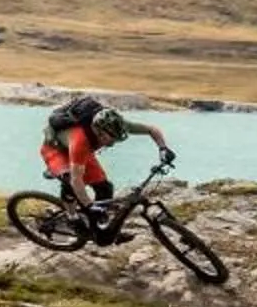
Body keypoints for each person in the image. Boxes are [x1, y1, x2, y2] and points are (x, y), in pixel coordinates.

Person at [40, 95, 171, 233]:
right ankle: (72, 217)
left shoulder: (117, 125)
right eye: (111, 138)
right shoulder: (80, 141)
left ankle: (100, 228)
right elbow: (76, 179)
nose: (114, 142)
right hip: (56, 150)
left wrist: (163, 148)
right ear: (99, 131)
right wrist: (88, 205)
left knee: (105, 188)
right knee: (70, 182)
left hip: (81, 153)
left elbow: (151, 130)